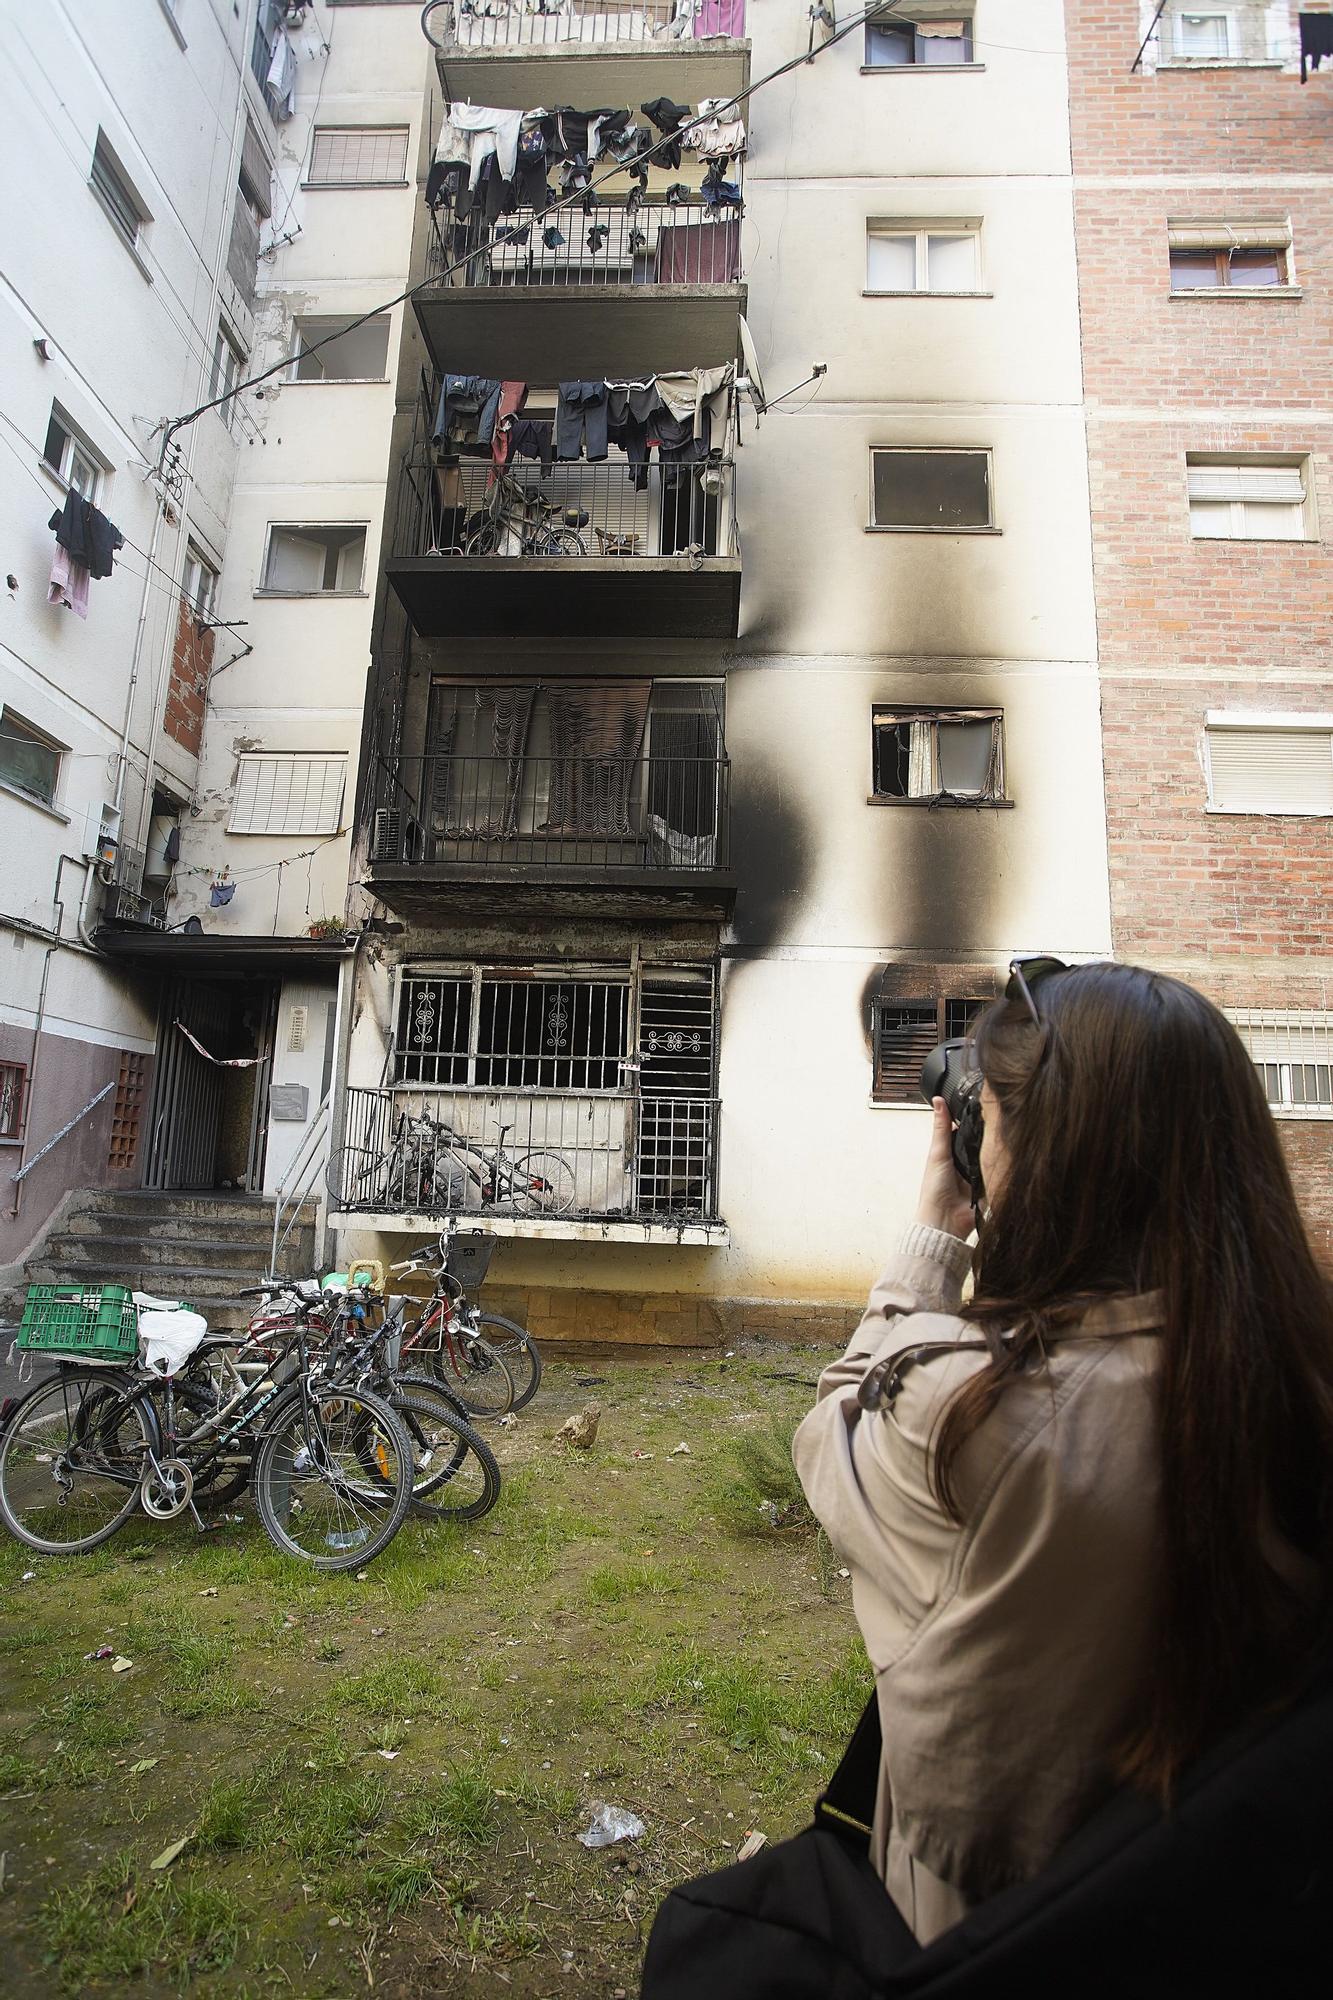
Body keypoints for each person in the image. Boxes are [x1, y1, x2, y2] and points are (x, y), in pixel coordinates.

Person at [792, 960, 1333, 1947]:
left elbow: (831, 1429)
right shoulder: (1298, 1381)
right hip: (1236, 1919)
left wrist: (932, 1234)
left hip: (990, 1934)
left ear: (1036, 1154)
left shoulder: (976, 1410)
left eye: (989, 1120)